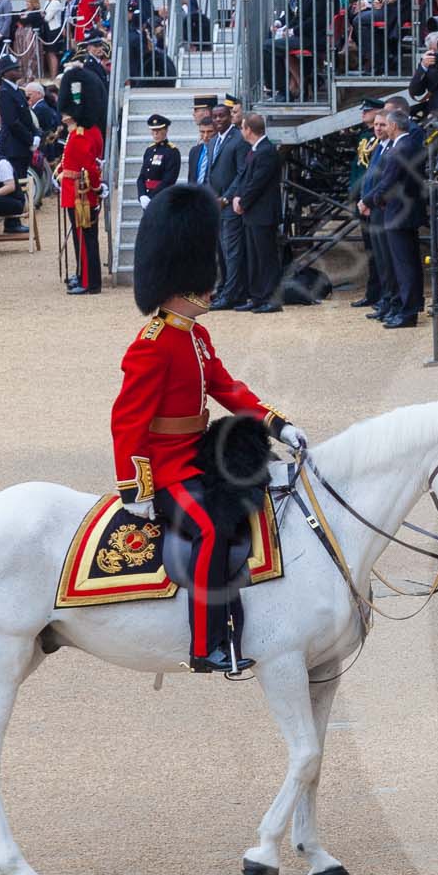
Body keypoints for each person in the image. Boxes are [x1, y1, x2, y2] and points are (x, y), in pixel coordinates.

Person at [112, 185, 311, 675]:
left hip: (197, 453)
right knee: (211, 527)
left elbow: (228, 388)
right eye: (201, 283)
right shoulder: (153, 344)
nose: (210, 289)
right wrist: (135, 487)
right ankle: (205, 644)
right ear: (177, 284)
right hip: (167, 468)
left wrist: (277, 425)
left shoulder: (196, 335)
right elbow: (127, 419)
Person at [360, 104, 423, 328]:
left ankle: (408, 311)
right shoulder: (407, 144)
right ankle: (409, 307)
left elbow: (388, 181)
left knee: (404, 265)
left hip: (398, 212)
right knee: (407, 263)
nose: (382, 128)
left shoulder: (401, 147)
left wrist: (370, 201)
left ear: (394, 126)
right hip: (402, 211)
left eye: (385, 124)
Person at [231, 112, 283, 311]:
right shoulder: (255, 150)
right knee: (254, 257)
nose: (241, 130)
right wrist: (237, 196)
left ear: (248, 130)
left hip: (263, 213)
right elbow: (245, 178)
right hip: (253, 213)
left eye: (242, 127)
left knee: (266, 257)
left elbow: (257, 183)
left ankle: (271, 298)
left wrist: (242, 201)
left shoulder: (266, 151)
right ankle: (258, 296)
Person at [204, 100, 250, 308]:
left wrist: (226, 198)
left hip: (229, 205)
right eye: (215, 117)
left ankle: (232, 294)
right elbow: (209, 173)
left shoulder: (238, 139)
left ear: (230, 116)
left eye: (221, 116)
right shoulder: (213, 141)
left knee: (232, 252)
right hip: (214, 205)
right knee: (221, 252)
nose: (218, 120)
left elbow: (242, 173)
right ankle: (223, 289)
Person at [58, 103, 103, 293]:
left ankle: (90, 282)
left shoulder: (79, 136)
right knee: (80, 238)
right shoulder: (75, 134)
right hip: (73, 190)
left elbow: (90, 166)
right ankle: (83, 275)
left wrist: (97, 187)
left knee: (85, 239)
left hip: (80, 193)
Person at [348, 97, 386, 309]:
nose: (364, 114)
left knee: (380, 251)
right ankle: (373, 292)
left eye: (368, 111)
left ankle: (382, 294)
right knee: (371, 250)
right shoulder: (364, 136)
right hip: (362, 195)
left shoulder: (381, 138)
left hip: (375, 198)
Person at [0, 54, 36, 203]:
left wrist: (36, 133)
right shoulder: (4, 93)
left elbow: (26, 117)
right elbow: (13, 122)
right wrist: (30, 139)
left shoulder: (16, 91)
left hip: (21, 144)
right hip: (13, 146)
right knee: (15, 182)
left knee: (21, 177)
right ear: (5, 73)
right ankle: (13, 220)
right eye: (14, 69)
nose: (18, 70)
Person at [137, 112, 180, 207]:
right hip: (147, 198)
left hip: (162, 199)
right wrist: (142, 195)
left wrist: (151, 197)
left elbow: (169, 180)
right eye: (153, 130)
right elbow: (142, 177)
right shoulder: (149, 150)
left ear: (166, 130)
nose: (155, 133)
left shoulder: (172, 151)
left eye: (158, 130)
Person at [39, 0, 66, 78]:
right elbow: (42, 13)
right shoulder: (47, 2)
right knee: (47, 52)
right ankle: (51, 74)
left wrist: (43, 15)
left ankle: (54, 75)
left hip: (54, 30)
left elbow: (47, 17)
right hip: (47, 29)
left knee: (52, 52)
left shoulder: (56, 3)